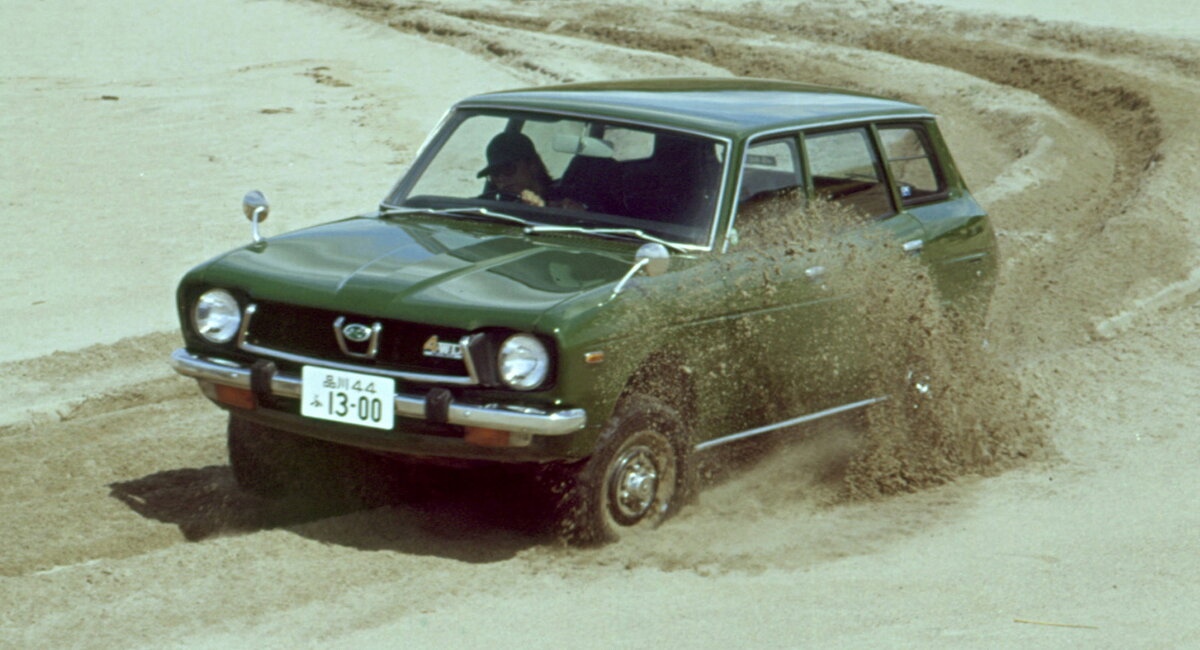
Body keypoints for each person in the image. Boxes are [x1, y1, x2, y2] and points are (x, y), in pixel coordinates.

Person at [477, 132, 585, 210]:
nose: (501, 178)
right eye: (495, 173)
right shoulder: (493, 206)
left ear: (532, 165)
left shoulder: (565, 199)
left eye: (508, 169)